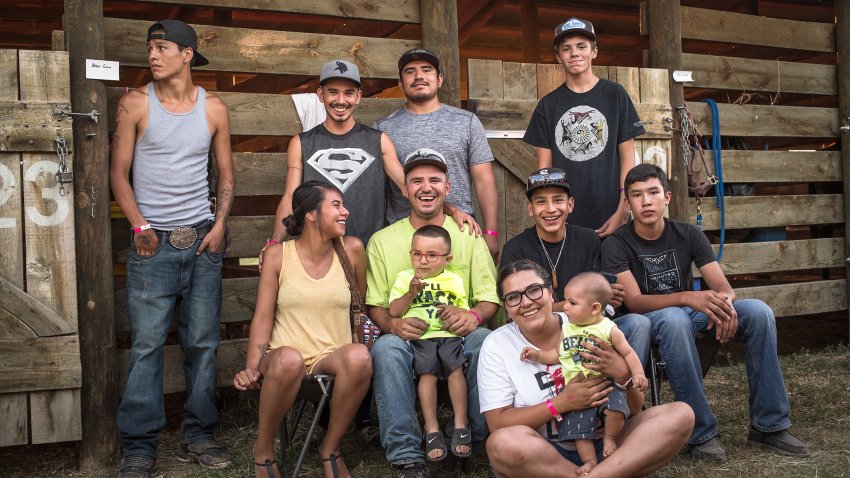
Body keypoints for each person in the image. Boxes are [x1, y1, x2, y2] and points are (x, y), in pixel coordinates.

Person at [601, 163, 810, 462]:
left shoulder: (688, 233)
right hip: (649, 320)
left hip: (689, 313)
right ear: (628, 202)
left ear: (667, 197)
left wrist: (725, 308)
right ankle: (701, 434)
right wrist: (688, 297)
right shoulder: (617, 243)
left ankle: (769, 424)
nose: (646, 201)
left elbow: (723, 287)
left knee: (758, 312)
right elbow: (634, 302)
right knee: (673, 318)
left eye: (653, 192)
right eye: (637, 195)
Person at [110, 19, 234, 478]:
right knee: (146, 346)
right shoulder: (135, 103)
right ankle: (139, 446)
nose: (153, 55)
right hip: (151, 246)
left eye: (162, 47)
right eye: (150, 48)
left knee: (202, 342)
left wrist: (220, 224)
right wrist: (138, 223)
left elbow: (225, 174)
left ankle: (198, 433)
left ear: (187, 54)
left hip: (202, 240)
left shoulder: (215, 108)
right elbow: (118, 174)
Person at [479, 260, 693, 477]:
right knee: (501, 444)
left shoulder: (591, 324)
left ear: (550, 292)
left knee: (681, 414)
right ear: (505, 306)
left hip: (610, 444)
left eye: (534, 290)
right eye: (513, 297)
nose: (526, 302)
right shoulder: (497, 344)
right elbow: (497, 423)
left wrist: (623, 375)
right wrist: (560, 404)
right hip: (546, 454)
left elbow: (635, 409)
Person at [366, 149, 500, 477]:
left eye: (435, 180)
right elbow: (375, 305)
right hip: (411, 337)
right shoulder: (382, 241)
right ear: (405, 189)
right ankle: (407, 453)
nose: (426, 187)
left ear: (448, 187)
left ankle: (469, 440)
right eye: (417, 181)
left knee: (485, 340)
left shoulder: (468, 234)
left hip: (456, 334)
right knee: (386, 347)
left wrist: (474, 317)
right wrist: (393, 325)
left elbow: (489, 299)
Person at [233, 181, 372, 478]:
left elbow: (360, 306)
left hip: (330, 357)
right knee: (289, 359)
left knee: (360, 356)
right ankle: (264, 449)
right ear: (311, 214)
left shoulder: (353, 251)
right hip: (283, 358)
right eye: (336, 205)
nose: (345, 211)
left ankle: (331, 448)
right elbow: (262, 317)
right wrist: (252, 367)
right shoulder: (278, 255)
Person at [499, 167, 652, 365]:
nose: (551, 209)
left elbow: (601, 301)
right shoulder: (515, 249)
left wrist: (609, 296)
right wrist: (575, 304)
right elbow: (519, 310)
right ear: (530, 209)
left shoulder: (589, 239)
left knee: (638, 323)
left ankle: (624, 387)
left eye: (558, 200)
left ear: (570, 204)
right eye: (541, 202)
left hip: (587, 329)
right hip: (540, 332)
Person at [523, 18, 645, 236]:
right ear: (558, 57)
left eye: (582, 46)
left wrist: (623, 209)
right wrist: (554, 220)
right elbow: (545, 172)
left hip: (612, 214)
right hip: (567, 221)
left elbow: (628, 158)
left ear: (594, 51)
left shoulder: (615, 95)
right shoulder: (548, 105)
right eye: (566, 49)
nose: (574, 53)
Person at [375, 48, 501, 258]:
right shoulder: (383, 128)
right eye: (410, 71)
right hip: (404, 233)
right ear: (400, 83)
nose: (419, 76)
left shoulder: (466, 122)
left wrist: (490, 231)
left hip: (460, 230)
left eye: (426, 70)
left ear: (440, 79)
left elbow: (484, 180)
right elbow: (389, 187)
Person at [520, 272, 649, 474]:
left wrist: (638, 374)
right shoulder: (568, 329)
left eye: (572, 302)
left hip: (607, 384)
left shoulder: (608, 328)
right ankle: (589, 461)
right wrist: (538, 356)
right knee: (578, 430)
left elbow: (628, 353)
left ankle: (610, 438)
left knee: (615, 411)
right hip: (576, 390)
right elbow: (558, 354)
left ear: (595, 307)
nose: (565, 307)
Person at [389, 225, 471, 462]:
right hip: (421, 339)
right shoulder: (405, 278)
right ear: (410, 254)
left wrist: (454, 311)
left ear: (448, 259)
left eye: (432, 255)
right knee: (428, 375)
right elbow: (394, 311)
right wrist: (410, 294)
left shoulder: (453, 279)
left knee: (456, 372)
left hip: (449, 336)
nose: (423, 261)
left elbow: (463, 310)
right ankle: (432, 429)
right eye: (417, 254)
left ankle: (460, 424)